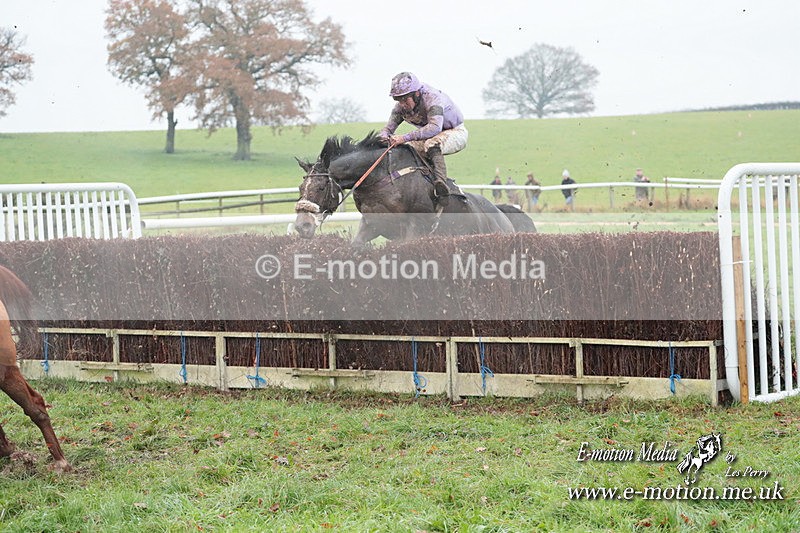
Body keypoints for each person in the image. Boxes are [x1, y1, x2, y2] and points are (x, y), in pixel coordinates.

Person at [378, 72, 468, 206]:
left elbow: (434, 128)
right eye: (398, 100)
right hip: (430, 135)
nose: (402, 104)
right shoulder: (400, 108)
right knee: (406, 148)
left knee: (431, 144)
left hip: (455, 131)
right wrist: (382, 138)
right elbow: (388, 129)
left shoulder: (432, 98)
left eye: (405, 99)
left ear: (416, 94)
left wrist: (403, 137)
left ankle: (441, 185)